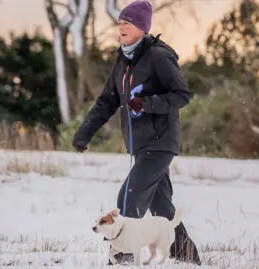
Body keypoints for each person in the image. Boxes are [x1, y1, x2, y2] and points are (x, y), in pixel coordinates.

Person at [72, 0, 201, 266]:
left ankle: (123, 259)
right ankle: (188, 258)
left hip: (161, 141)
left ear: (141, 27)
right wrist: (84, 134)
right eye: (119, 22)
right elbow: (106, 101)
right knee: (163, 208)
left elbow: (182, 95)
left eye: (126, 23)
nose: (120, 27)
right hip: (140, 145)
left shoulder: (158, 56)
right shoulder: (123, 60)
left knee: (128, 198)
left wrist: (148, 103)